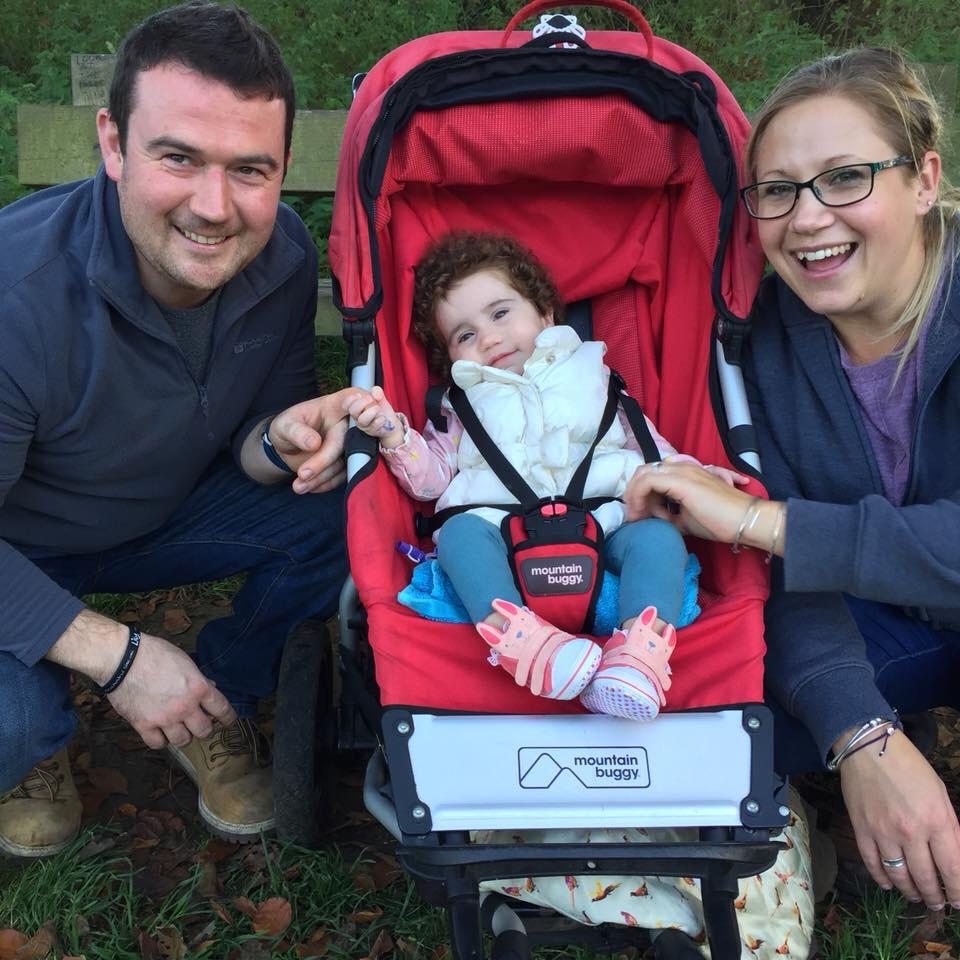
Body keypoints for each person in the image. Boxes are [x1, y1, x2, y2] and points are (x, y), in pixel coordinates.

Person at [0, 1, 358, 857]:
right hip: (20, 540)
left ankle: (213, 698)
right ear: (114, 144)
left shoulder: (282, 257)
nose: (215, 206)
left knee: (356, 508)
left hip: (169, 513)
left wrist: (284, 441)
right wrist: (122, 657)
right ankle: (33, 752)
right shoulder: (17, 296)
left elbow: (253, 435)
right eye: (179, 158)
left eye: (250, 169)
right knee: (9, 732)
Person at [623, 47, 960, 910]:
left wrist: (760, 520)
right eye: (777, 191)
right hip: (880, 621)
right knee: (696, 732)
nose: (807, 219)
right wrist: (858, 727)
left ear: (924, 179)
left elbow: (771, 539)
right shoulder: (756, 339)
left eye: (845, 178)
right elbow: (777, 586)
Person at [346, 231, 746, 719]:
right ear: (449, 356)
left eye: (500, 314)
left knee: (660, 539)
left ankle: (638, 656)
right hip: (500, 535)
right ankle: (523, 643)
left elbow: (653, 453)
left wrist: (702, 478)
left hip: (608, 525)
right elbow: (430, 482)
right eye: (465, 335)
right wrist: (394, 435)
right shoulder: (457, 403)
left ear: (546, 313)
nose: (489, 338)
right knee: (456, 535)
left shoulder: (599, 379)